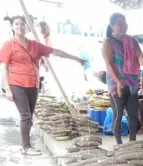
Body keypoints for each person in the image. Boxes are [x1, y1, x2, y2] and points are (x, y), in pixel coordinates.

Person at [0, 15, 85, 156]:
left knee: (30, 115)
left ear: (27, 27)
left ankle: (25, 144)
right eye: (17, 24)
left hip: (33, 85)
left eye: (22, 24)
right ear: (12, 27)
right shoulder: (9, 44)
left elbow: (55, 51)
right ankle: (26, 147)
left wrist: (76, 58)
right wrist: (7, 89)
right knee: (25, 115)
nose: (20, 26)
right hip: (17, 84)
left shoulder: (35, 45)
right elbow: (3, 67)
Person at [102, 13, 143, 144]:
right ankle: (119, 145)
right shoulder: (108, 43)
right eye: (119, 24)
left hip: (131, 84)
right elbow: (109, 64)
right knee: (118, 115)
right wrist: (119, 81)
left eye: (124, 23)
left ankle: (132, 143)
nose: (123, 26)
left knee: (133, 115)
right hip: (116, 84)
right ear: (112, 26)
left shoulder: (132, 41)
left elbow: (139, 57)